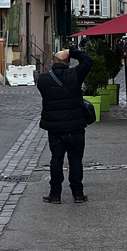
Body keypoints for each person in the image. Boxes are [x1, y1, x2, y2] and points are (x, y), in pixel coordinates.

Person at [36, 47, 93, 203]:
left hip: (55, 128)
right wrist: (72, 51)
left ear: (53, 62)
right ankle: (78, 194)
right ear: (68, 63)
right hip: (76, 126)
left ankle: (55, 194)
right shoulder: (75, 74)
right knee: (75, 160)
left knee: (56, 160)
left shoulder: (43, 79)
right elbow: (88, 60)